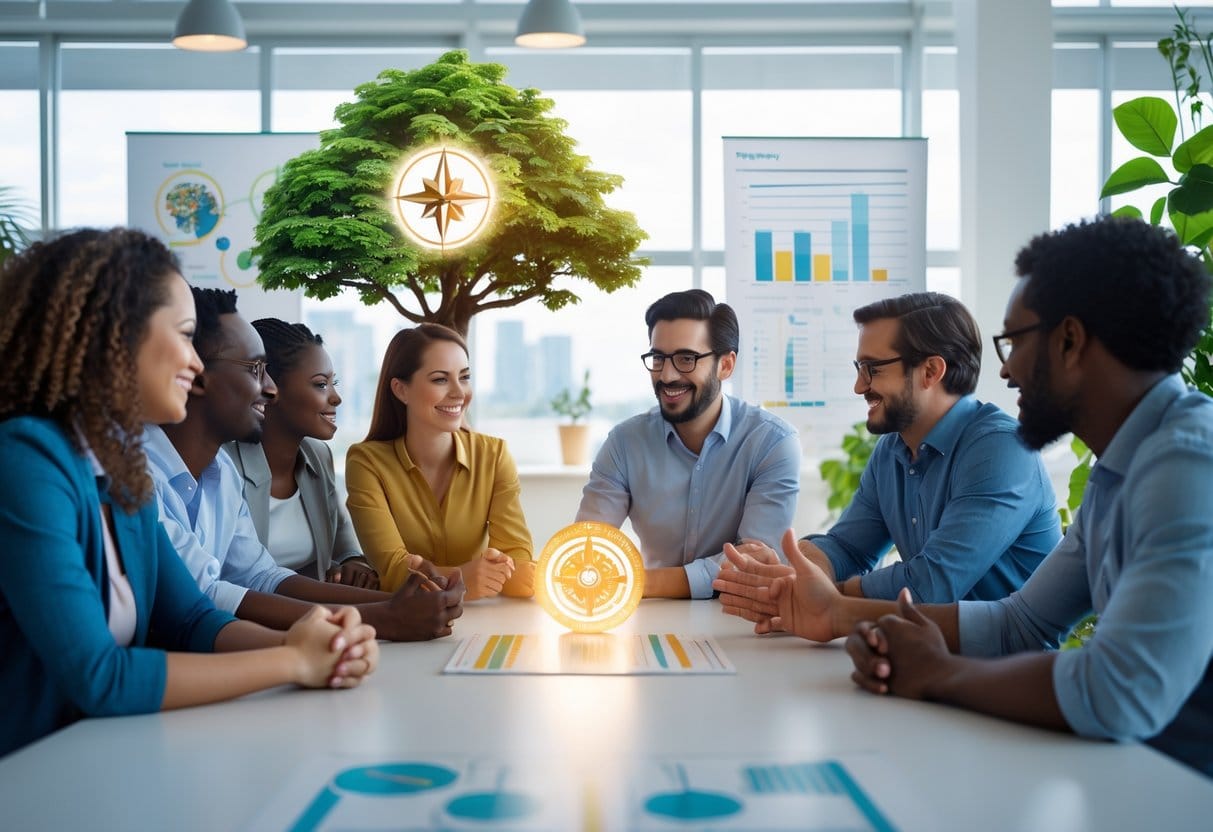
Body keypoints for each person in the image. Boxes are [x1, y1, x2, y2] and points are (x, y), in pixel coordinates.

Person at [715, 217, 1213, 777]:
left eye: (1015, 342)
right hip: (1116, 769)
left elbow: (1118, 691)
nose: (1004, 368)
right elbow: (1019, 624)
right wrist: (825, 605)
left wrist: (935, 674)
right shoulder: (1121, 467)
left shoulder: (1188, 466)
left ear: (1070, 341)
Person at [0, 229, 378, 756]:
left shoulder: (118, 467)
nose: (196, 362)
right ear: (117, 335)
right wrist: (291, 661)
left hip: (98, 760)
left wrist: (316, 646)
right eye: (182, 335)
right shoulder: (26, 459)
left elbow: (192, 618)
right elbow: (100, 676)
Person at [145, 288, 464, 642]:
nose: (270, 389)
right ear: (196, 373)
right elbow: (207, 594)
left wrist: (399, 604)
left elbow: (261, 576)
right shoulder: (136, 475)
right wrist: (383, 618)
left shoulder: (221, 473)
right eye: (255, 369)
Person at [723, 292, 1059, 604]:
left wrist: (827, 598)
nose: (859, 386)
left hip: (1010, 664)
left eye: (873, 369)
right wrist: (791, 571)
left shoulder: (1001, 449)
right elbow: (847, 548)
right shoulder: (892, 449)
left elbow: (931, 584)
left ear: (930, 371)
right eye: (859, 369)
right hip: (931, 653)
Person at [576, 289, 801, 599]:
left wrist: (635, 582)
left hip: (741, 619)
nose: (667, 375)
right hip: (649, 615)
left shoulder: (772, 443)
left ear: (725, 365)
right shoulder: (624, 443)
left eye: (686, 359)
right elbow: (586, 546)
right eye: (658, 358)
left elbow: (753, 563)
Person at [345, 324, 536, 600]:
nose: (460, 393)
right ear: (401, 390)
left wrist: (499, 571)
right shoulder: (366, 463)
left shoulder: (493, 456)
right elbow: (393, 571)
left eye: (465, 377)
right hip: (405, 628)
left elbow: (516, 563)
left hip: (484, 620)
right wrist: (464, 578)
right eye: (440, 379)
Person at [224, 318, 378, 588]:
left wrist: (353, 560)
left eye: (334, 382)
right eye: (321, 385)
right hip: (248, 621)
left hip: (311, 616)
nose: (336, 398)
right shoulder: (226, 465)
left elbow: (340, 527)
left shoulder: (318, 455)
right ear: (270, 387)